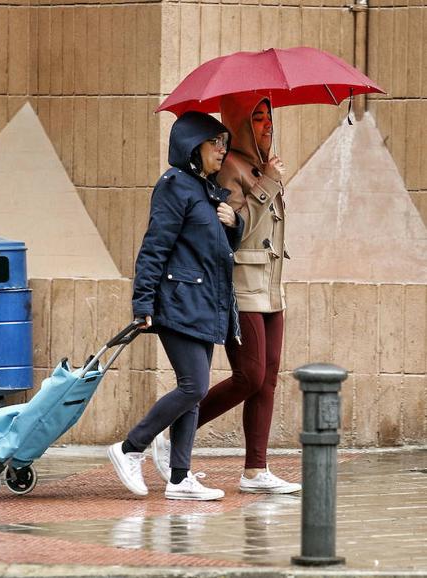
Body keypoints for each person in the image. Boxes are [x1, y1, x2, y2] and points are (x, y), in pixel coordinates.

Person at [152, 96, 301, 495]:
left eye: (269, 117)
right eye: (257, 118)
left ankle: (255, 470)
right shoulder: (229, 167)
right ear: (239, 123)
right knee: (248, 376)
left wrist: (268, 176)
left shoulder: (261, 166)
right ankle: (169, 435)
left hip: (271, 285)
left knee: (267, 380)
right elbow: (231, 232)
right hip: (241, 284)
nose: (266, 125)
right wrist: (268, 182)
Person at [108, 111, 244, 501]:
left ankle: (179, 478)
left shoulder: (206, 190)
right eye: (214, 142)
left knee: (194, 393)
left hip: (205, 304)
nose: (222, 149)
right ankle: (129, 448)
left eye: (224, 142)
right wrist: (143, 302)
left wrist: (233, 225)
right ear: (192, 146)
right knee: (193, 385)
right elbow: (155, 247)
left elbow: (216, 253)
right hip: (178, 302)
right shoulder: (174, 186)